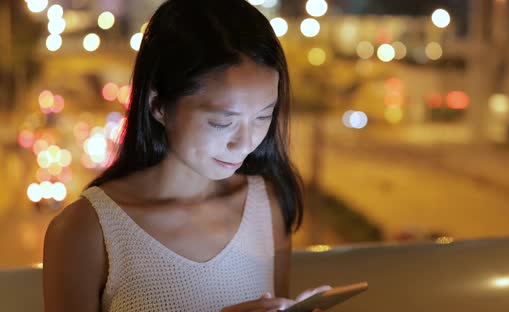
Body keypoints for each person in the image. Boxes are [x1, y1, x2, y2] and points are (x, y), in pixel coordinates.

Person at [42, 0, 330, 311]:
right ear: (158, 105)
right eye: (223, 122)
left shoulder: (267, 205)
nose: (246, 143)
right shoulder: (87, 231)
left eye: (263, 117)